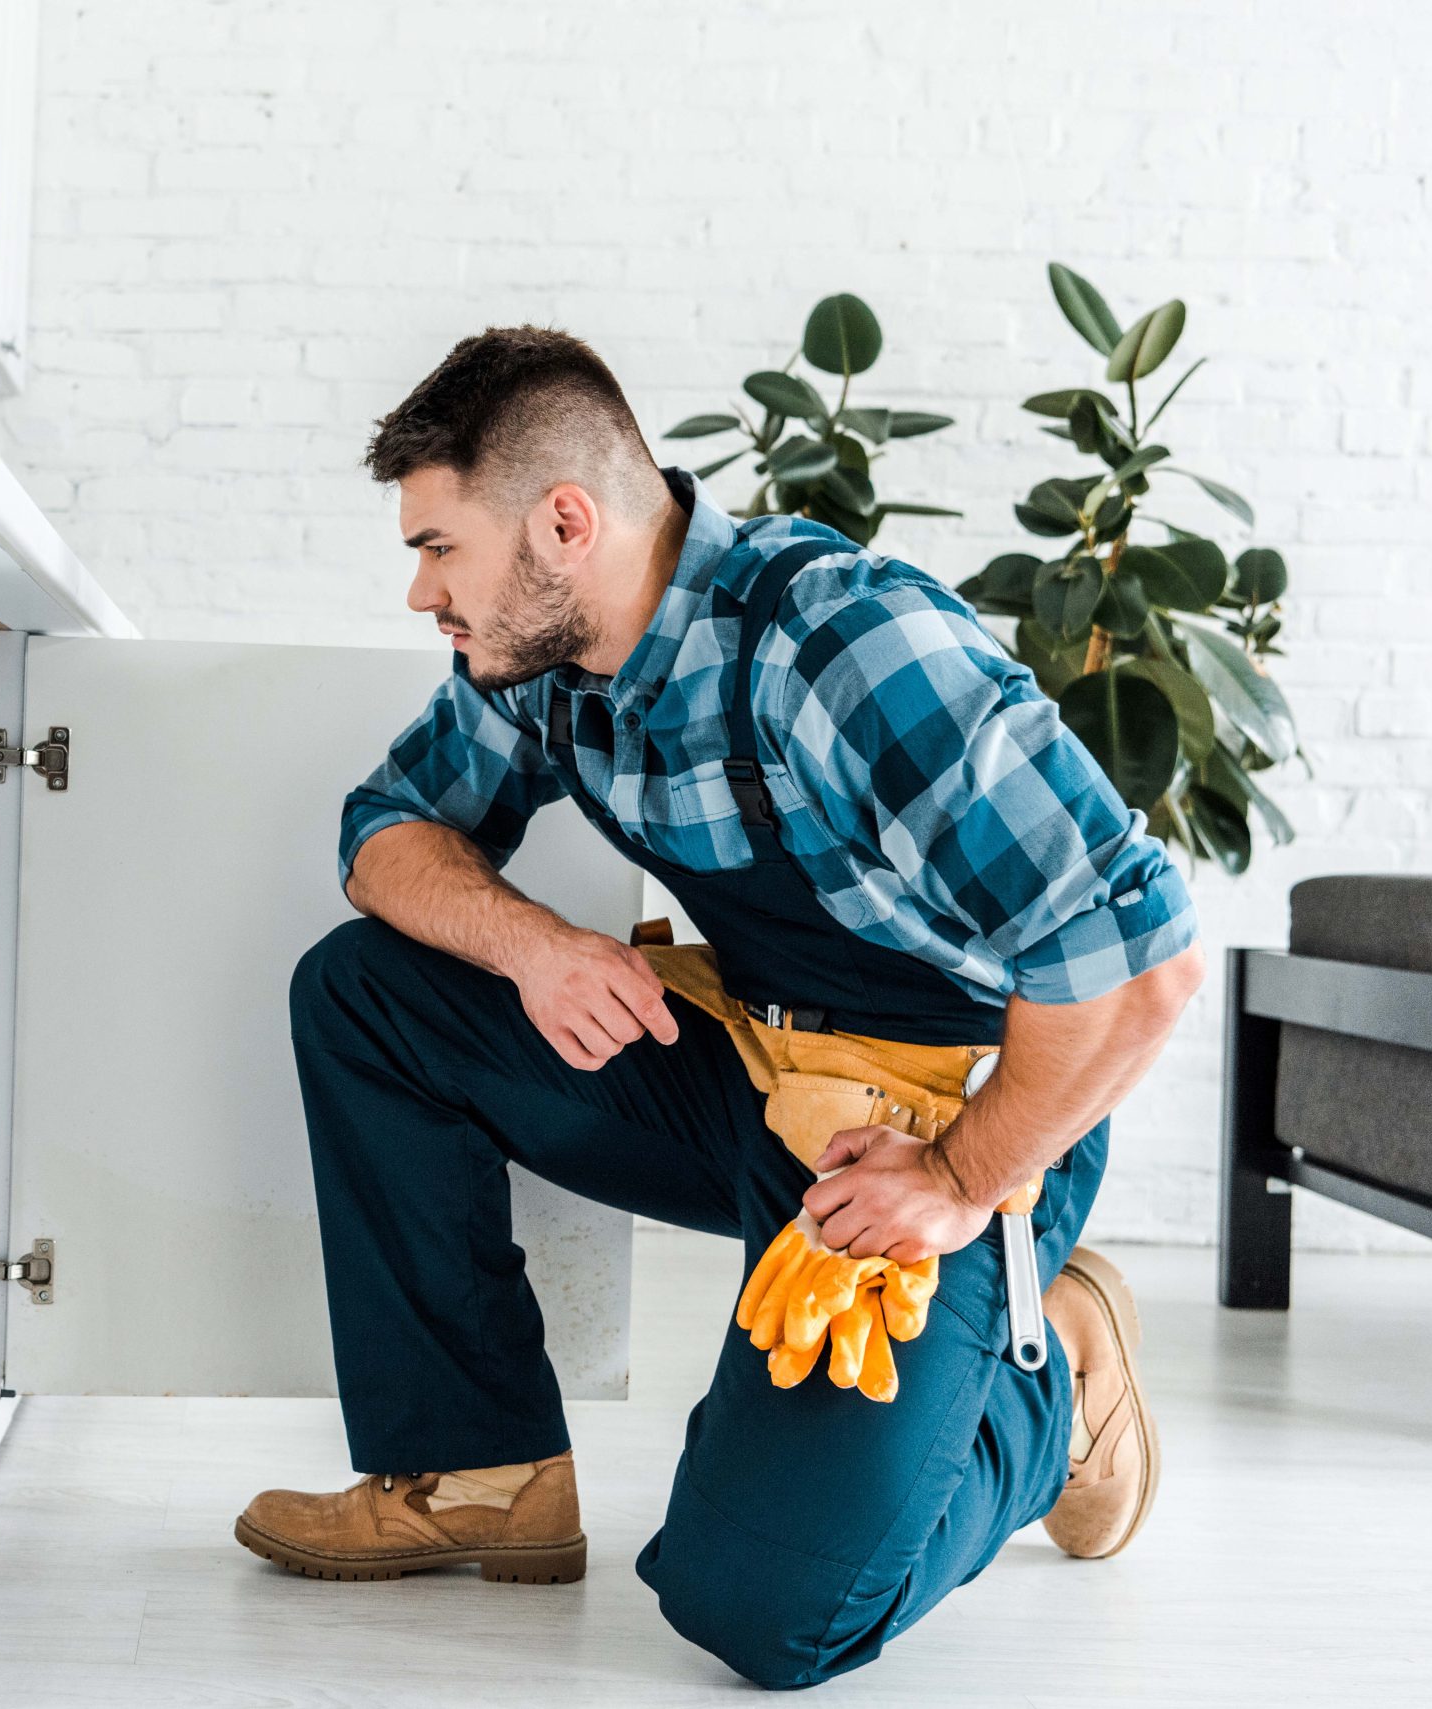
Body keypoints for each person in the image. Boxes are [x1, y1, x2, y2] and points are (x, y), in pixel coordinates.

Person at [235, 326, 1203, 1688]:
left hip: (933, 1121)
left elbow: (1147, 967)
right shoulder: (542, 668)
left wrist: (968, 1176)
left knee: (760, 1610)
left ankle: (1056, 1380)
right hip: (749, 1062)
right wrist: (533, 948)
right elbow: (384, 830)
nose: (420, 591)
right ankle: (479, 1470)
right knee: (366, 992)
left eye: (439, 547)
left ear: (563, 524)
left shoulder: (845, 648)